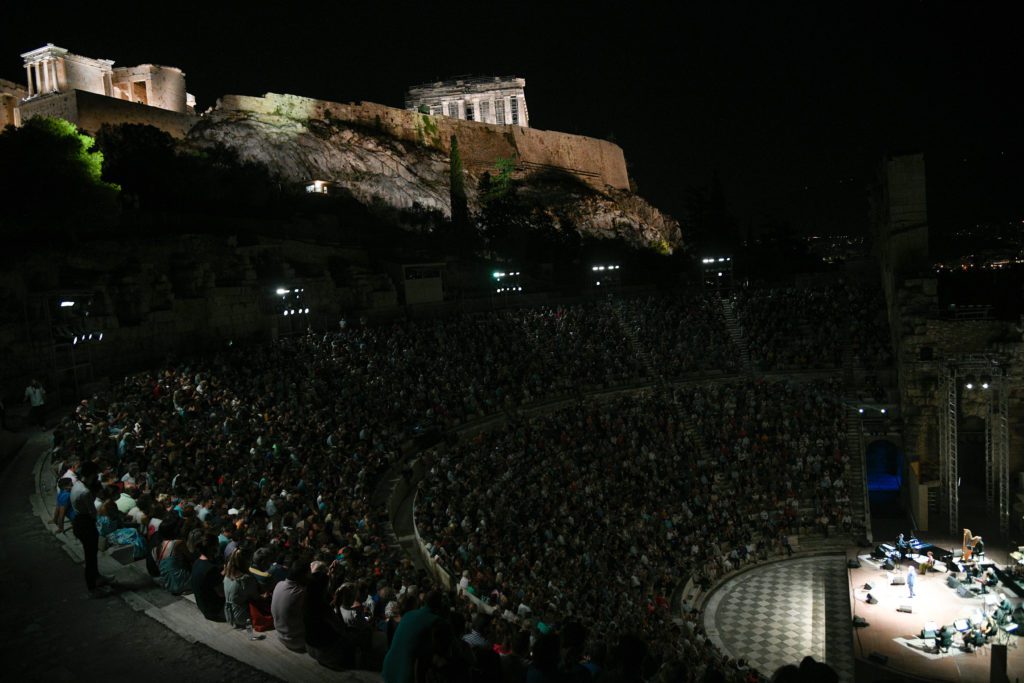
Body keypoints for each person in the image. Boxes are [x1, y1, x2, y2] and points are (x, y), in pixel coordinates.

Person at [70, 460, 114, 595]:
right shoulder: (85, 492)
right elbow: (93, 513)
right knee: (90, 557)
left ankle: (97, 578)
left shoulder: (76, 484)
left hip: (78, 520)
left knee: (91, 555)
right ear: (91, 475)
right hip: (86, 523)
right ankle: (92, 587)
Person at [190, 533, 226, 622]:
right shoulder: (210, 569)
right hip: (215, 611)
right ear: (213, 548)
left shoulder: (197, 562)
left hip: (203, 606)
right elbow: (222, 593)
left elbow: (211, 581)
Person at [223, 548, 259, 628]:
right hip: (241, 617)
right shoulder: (245, 579)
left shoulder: (227, 574)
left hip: (228, 614)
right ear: (247, 561)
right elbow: (256, 597)